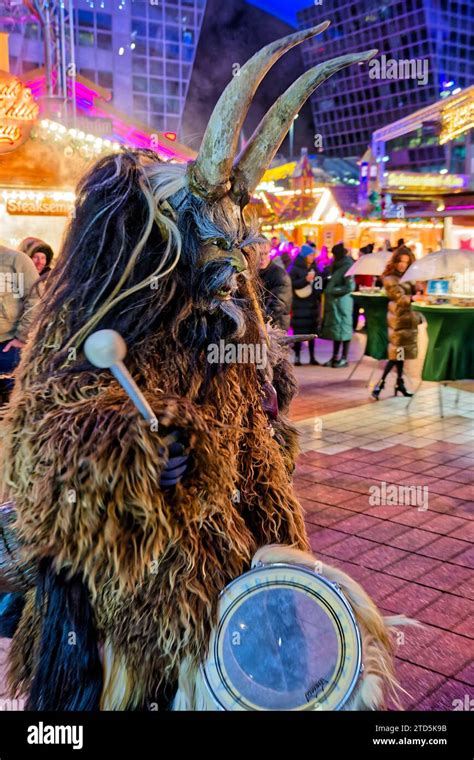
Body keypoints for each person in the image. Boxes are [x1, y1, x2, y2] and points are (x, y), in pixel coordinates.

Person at [0, 28, 400, 712]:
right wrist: (130, 454)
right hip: (123, 592)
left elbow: (256, 432)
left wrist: (262, 452)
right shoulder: (101, 312)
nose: (232, 267)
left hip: (228, 566)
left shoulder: (227, 316)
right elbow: (40, 455)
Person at [371, 246, 421, 399]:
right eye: (400, 261)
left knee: (400, 355)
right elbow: (398, 298)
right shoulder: (390, 278)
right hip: (399, 321)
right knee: (396, 355)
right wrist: (412, 298)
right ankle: (380, 384)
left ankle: (399, 383)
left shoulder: (408, 277)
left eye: (406, 262)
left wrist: (418, 288)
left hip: (409, 321)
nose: (402, 265)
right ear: (395, 261)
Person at [0, 245, 40, 404]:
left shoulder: (16, 260)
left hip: (7, 347)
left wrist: (22, 337)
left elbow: (36, 299)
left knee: (12, 405)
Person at [320, 243, 354, 367]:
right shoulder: (336, 265)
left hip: (343, 303)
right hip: (335, 304)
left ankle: (344, 358)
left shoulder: (348, 267)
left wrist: (332, 290)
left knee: (344, 329)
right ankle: (335, 357)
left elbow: (350, 286)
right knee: (336, 330)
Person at [289, 244, 321, 365]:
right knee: (299, 333)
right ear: (305, 256)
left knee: (312, 333)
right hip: (300, 305)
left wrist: (317, 287)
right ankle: (297, 357)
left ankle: (312, 357)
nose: (313, 257)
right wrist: (305, 280)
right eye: (310, 255)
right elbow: (292, 284)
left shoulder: (315, 268)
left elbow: (319, 284)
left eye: (313, 255)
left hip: (312, 305)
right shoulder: (295, 268)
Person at [258, 237, 292, 331]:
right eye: (259, 254)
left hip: (275, 329)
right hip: (258, 327)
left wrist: (253, 322)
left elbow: (276, 306)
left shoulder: (279, 275)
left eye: (265, 253)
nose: (262, 257)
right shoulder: (252, 273)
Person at [353, 243, 374, 331]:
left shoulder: (362, 263)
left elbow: (363, 277)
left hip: (362, 287)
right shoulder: (369, 263)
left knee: (358, 308)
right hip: (366, 287)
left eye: (359, 253)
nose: (358, 255)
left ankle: (358, 325)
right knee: (365, 308)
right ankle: (366, 326)